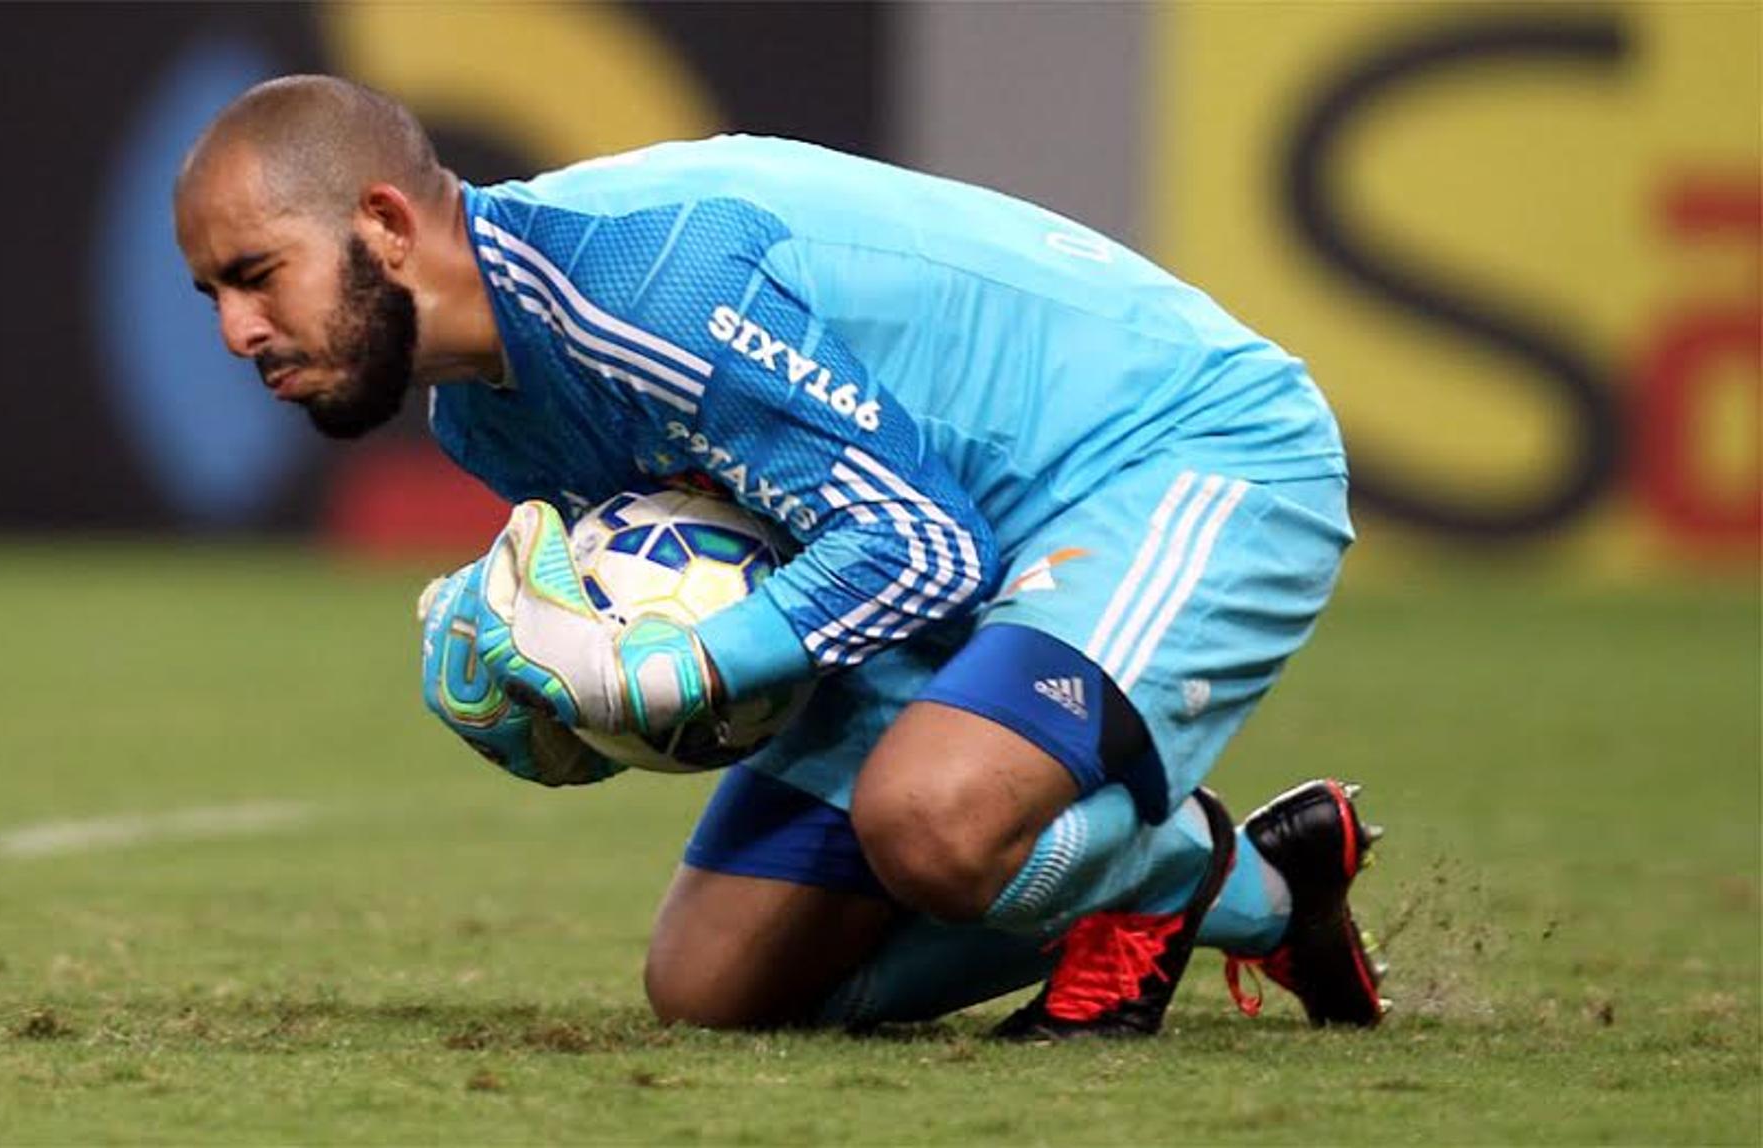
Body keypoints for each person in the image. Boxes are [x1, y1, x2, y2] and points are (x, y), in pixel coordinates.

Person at [173, 75, 1388, 1038]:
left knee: (934, 817)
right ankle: (1263, 892)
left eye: (256, 274)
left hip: (1171, 454)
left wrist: (671, 667)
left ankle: (1158, 875)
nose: (235, 331)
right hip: (954, 524)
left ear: (384, 225)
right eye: (209, 294)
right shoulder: (483, 415)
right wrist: (572, 708)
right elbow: (757, 609)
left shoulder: (644, 286)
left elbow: (920, 546)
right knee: (712, 986)